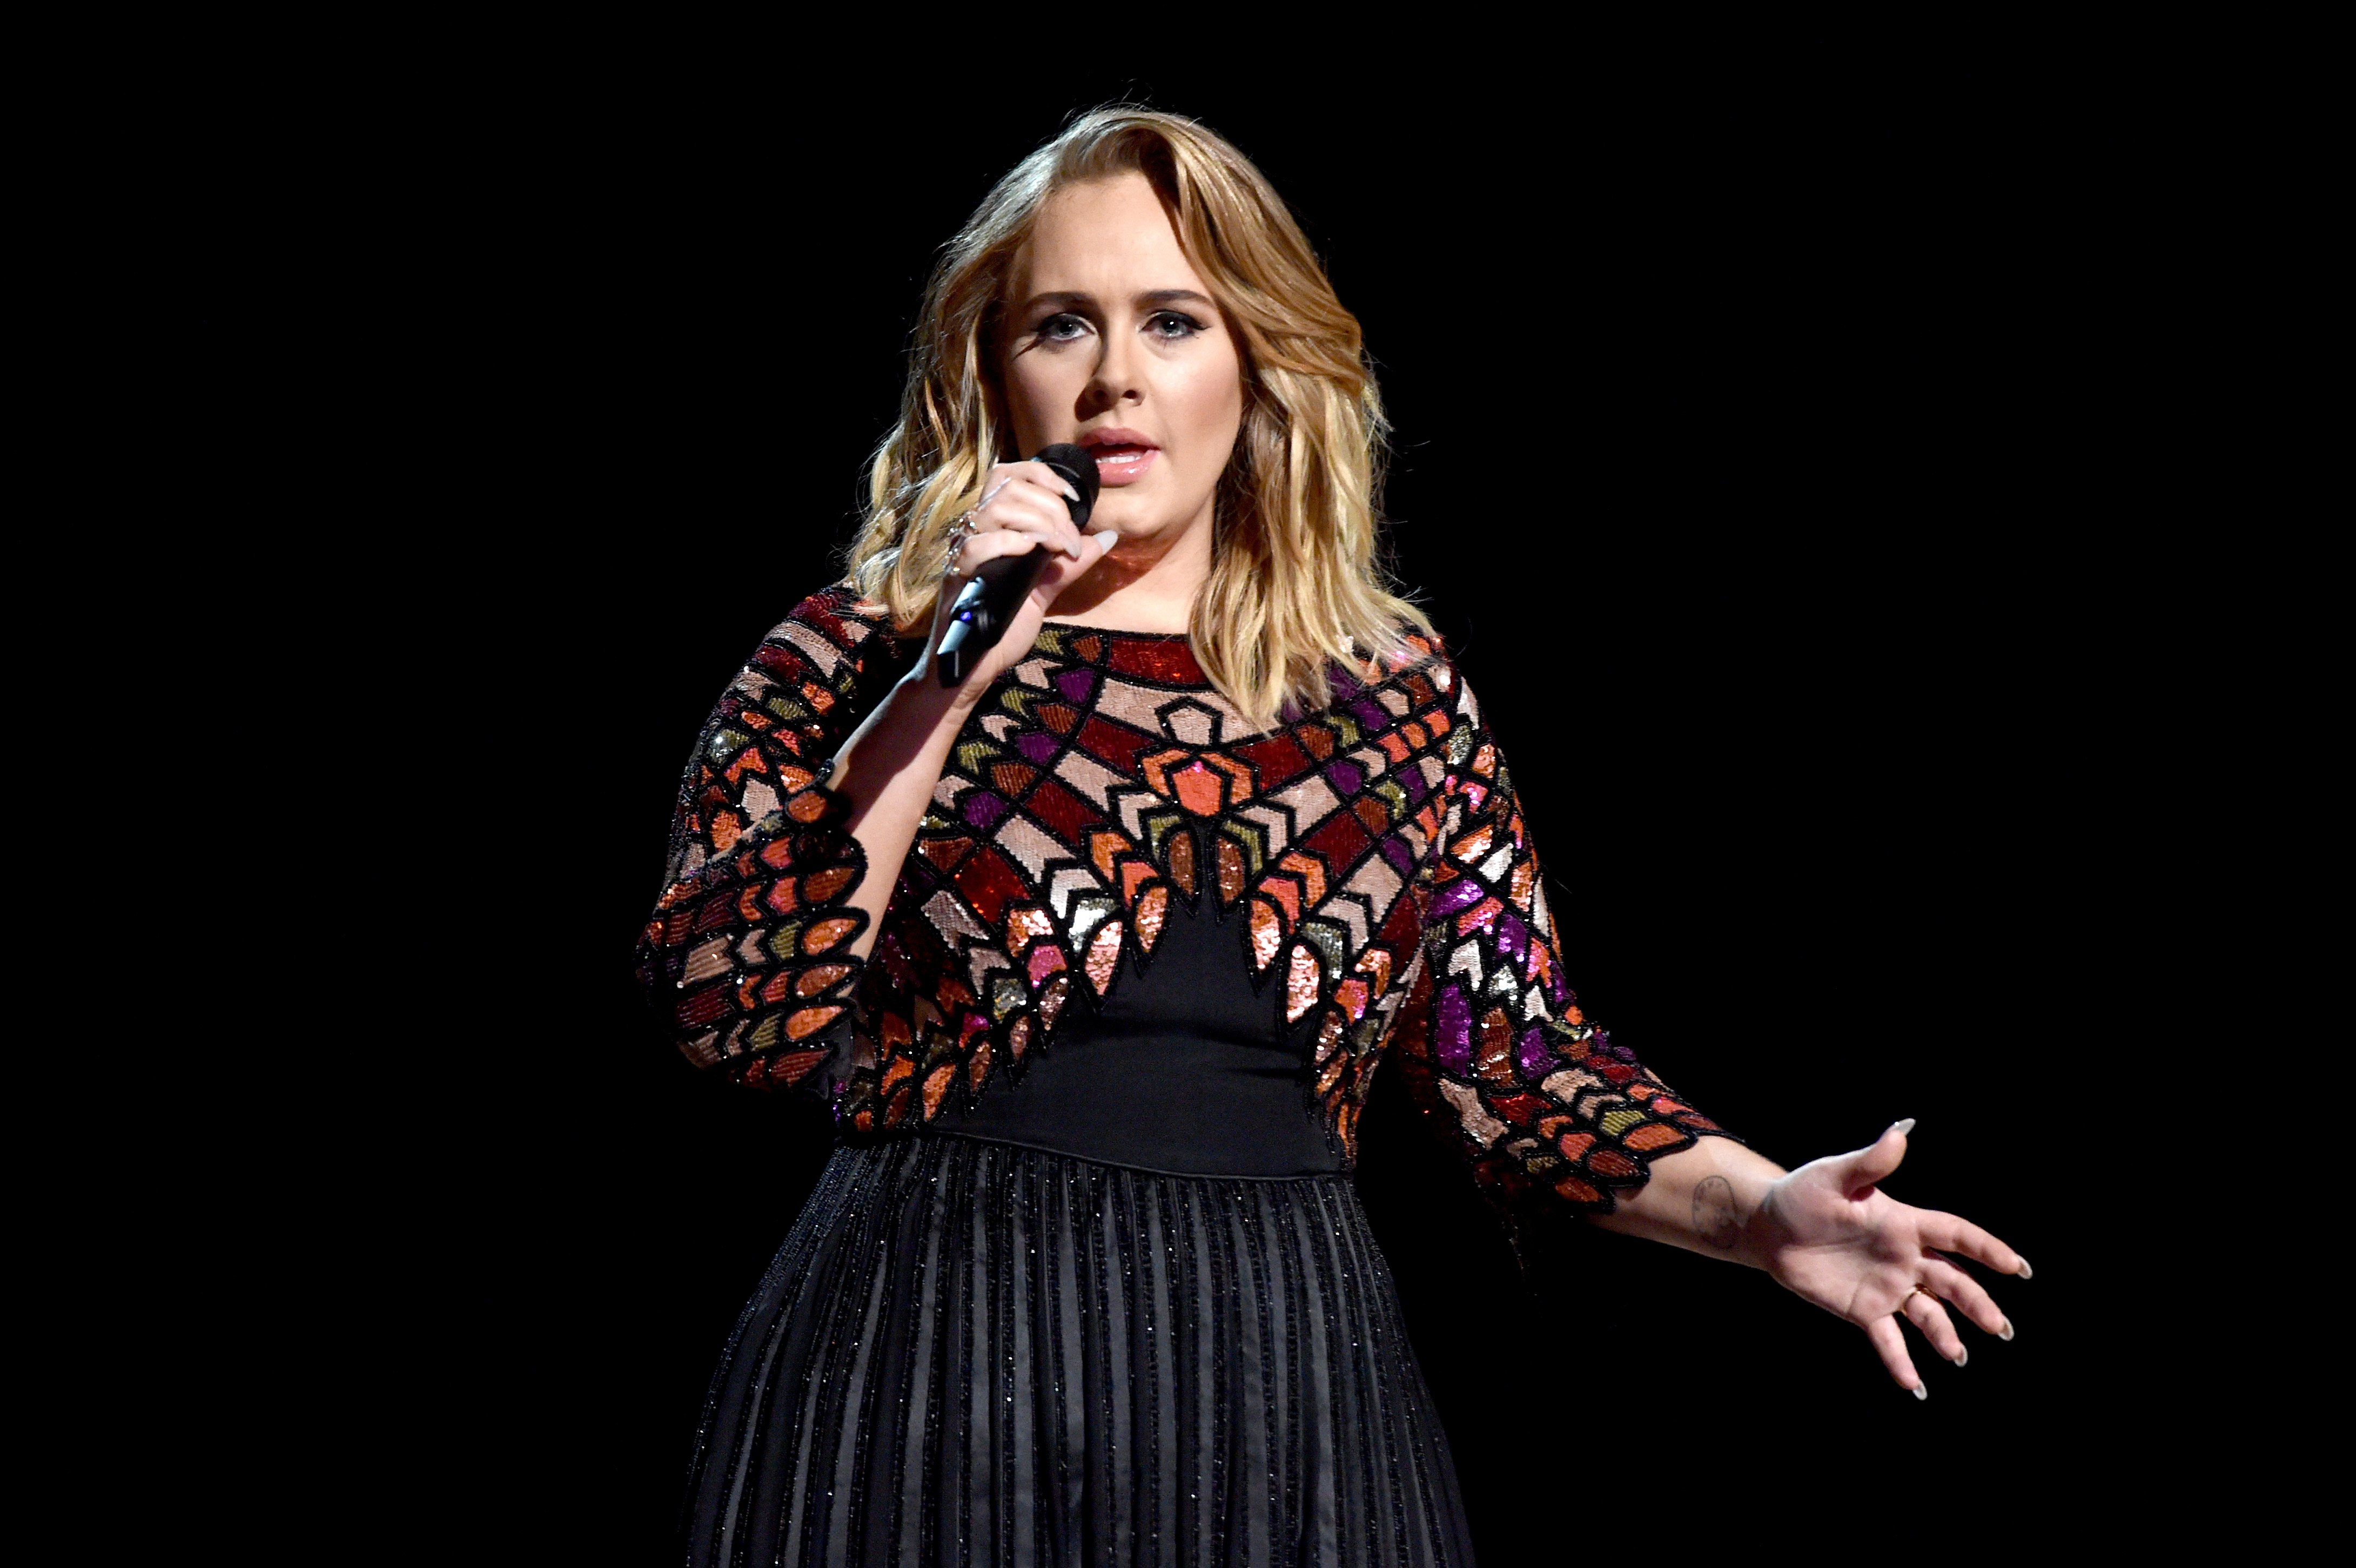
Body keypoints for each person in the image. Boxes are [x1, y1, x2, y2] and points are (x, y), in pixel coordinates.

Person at [637, 107, 2030, 1567]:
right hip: (918, 1368)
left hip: (1281, 1384)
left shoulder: (1390, 697)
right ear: (994, 368)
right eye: (1062, 324)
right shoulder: (851, 656)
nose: (1115, 376)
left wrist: (1762, 1215)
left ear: (1251, 367)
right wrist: (949, 675)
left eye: (1171, 322)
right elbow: (737, 1019)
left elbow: (1516, 1064)